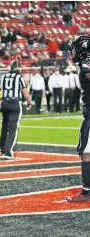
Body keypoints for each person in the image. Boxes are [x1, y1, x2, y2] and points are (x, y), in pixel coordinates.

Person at [0, 60, 32, 158]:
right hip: (14, 103)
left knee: (5, 126)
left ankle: (3, 148)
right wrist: (29, 102)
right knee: (13, 128)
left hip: (4, 103)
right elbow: (25, 92)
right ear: (19, 68)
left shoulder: (3, 77)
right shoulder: (19, 78)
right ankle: (7, 151)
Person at [66, 35, 90, 202]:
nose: (72, 53)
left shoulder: (85, 64)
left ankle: (86, 193)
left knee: (86, 153)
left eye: (75, 49)